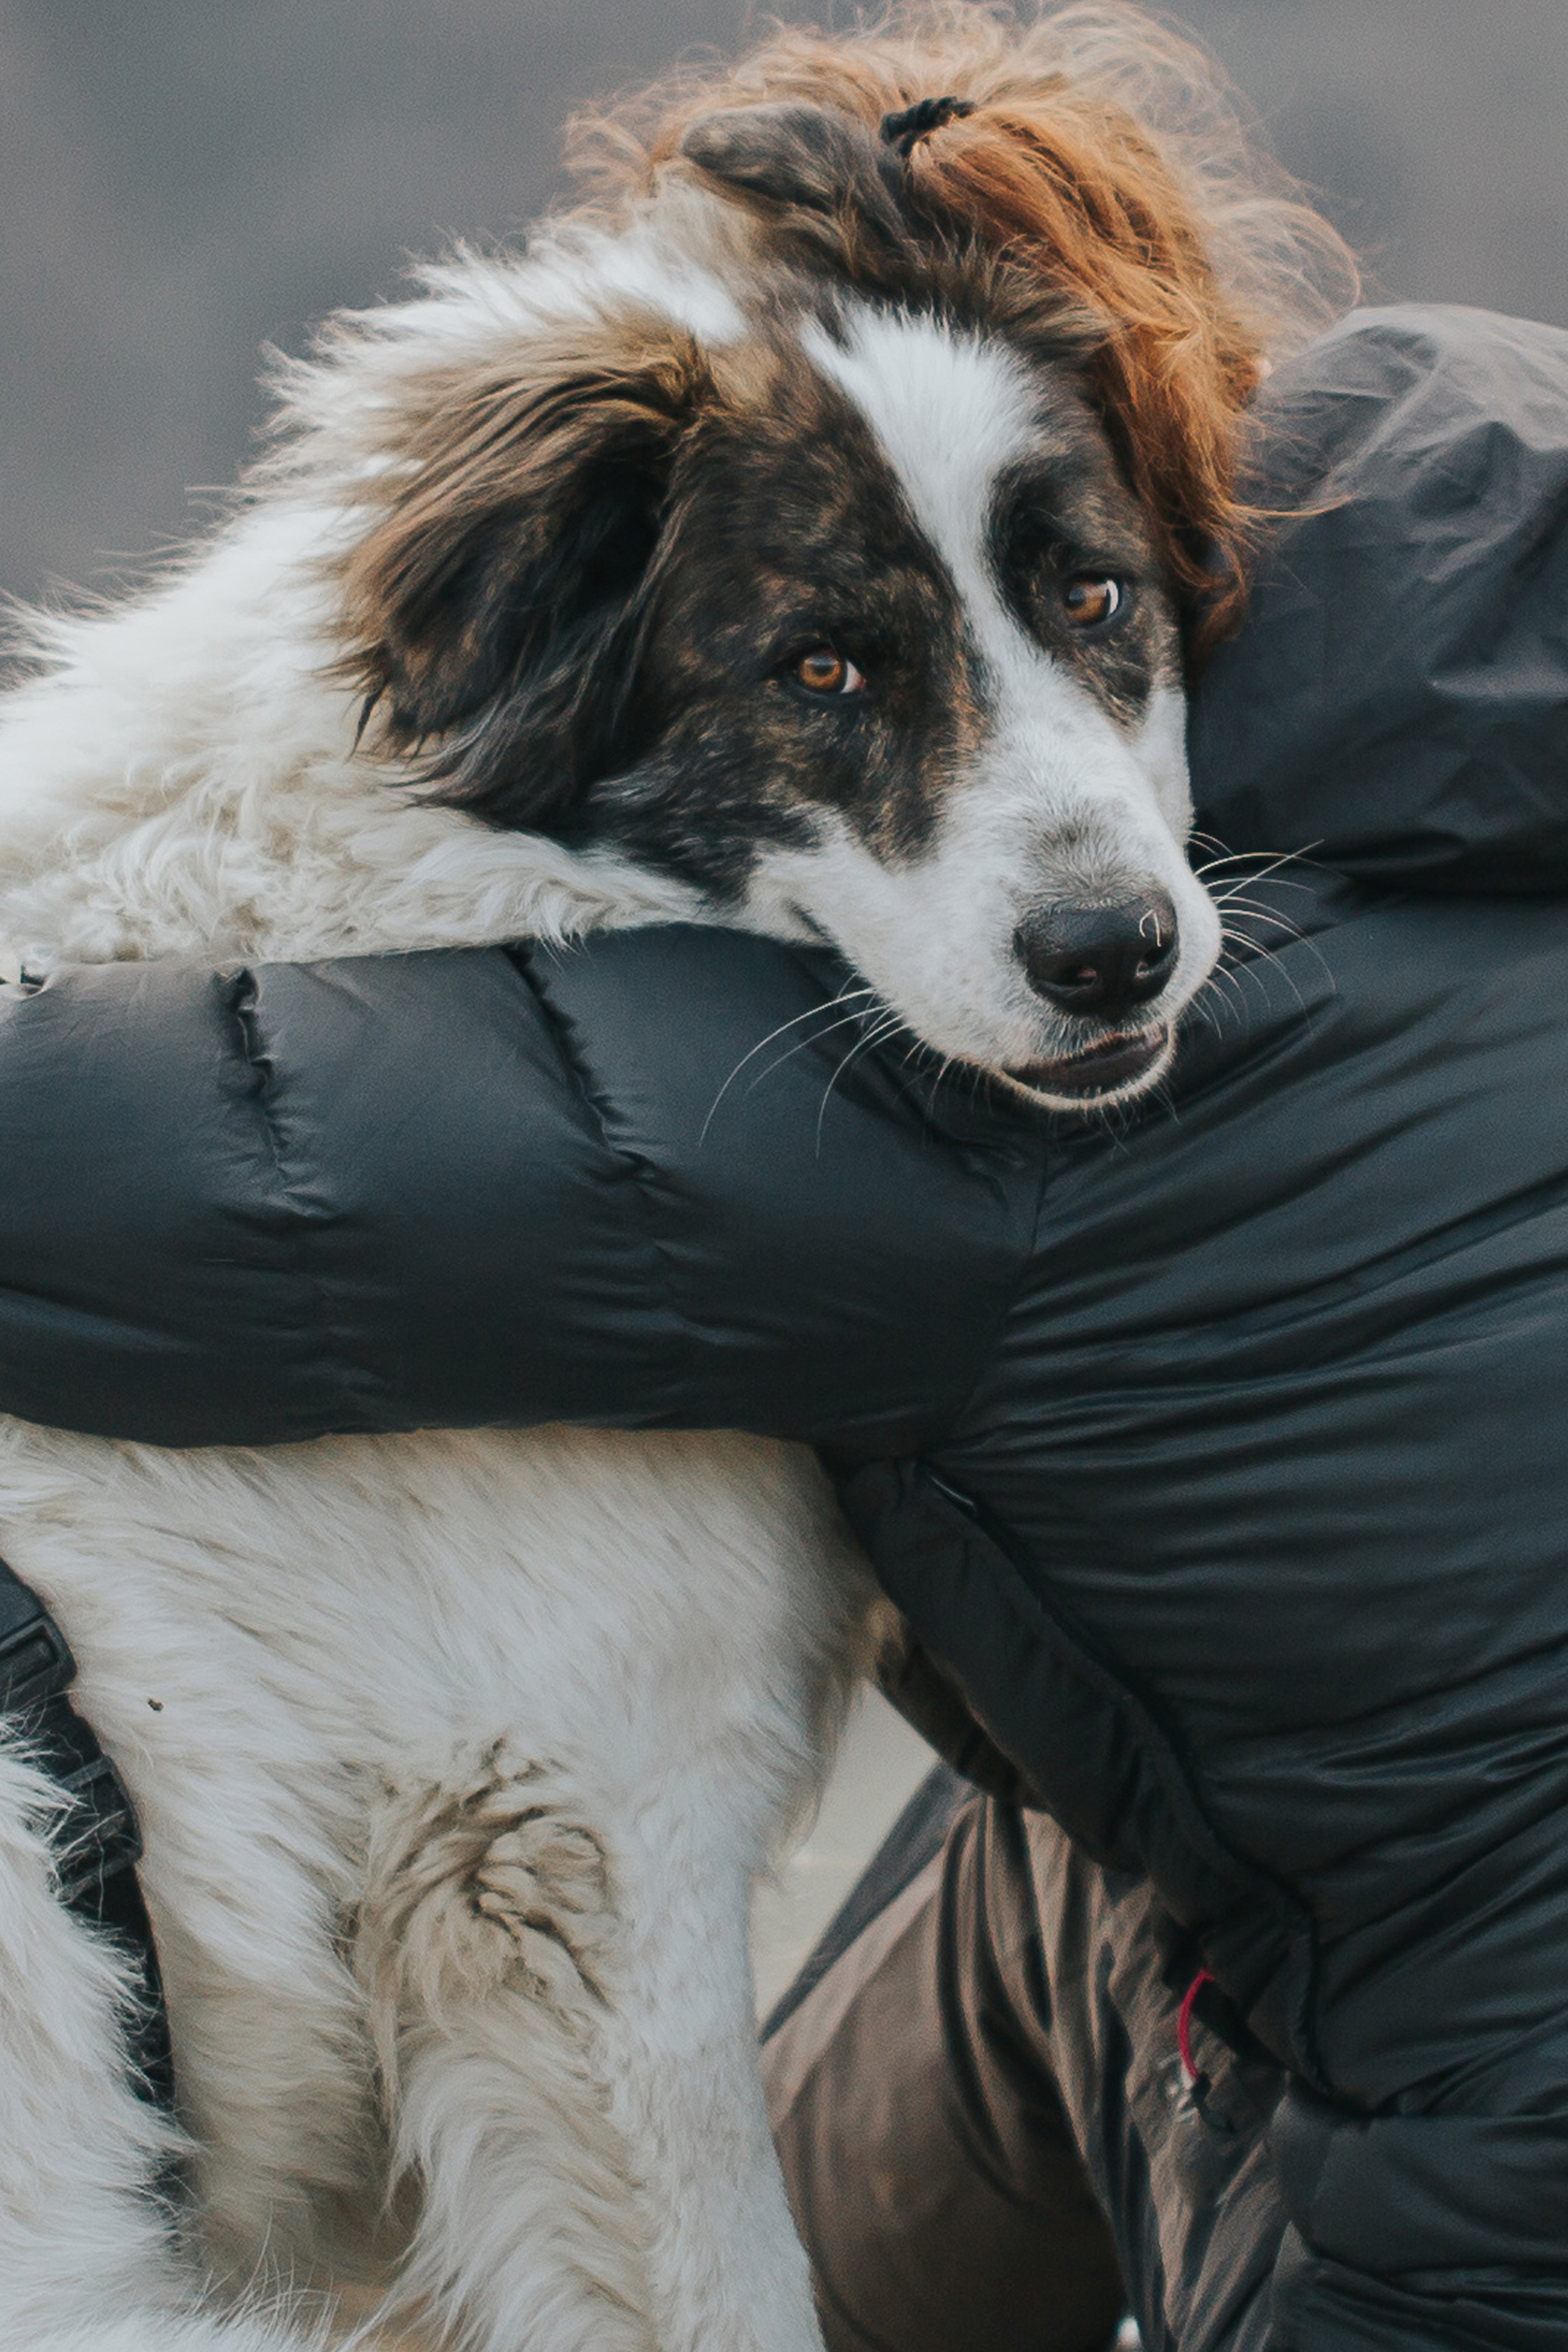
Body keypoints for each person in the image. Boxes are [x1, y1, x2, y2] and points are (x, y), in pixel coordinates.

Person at [3, 301, 1568, 2348]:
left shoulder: (956, 1132)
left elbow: (218, 1166)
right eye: (834, 671)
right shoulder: (1462, 832)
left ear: (1204, 553)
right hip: (1353, 1980)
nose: (1099, 888)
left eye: (1087, 603)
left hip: (1475, 2196)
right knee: (1020, 1894)